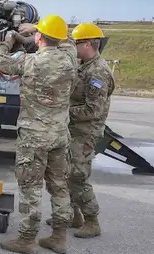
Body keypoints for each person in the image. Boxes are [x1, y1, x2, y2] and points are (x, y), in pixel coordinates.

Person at [0, 14, 77, 254]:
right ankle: (59, 237)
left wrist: (8, 40)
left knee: (30, 187)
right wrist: (39, 27)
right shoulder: (70, 59)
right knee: (59, 186)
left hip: (34, 136)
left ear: (38, 37)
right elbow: (68, 42)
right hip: (59, 134)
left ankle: (27, 239)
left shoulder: (31, 62)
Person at [40, 22, 114, 238]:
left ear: (89, 44)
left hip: (85, 133)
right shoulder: (84, 65)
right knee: (65, 173)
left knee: (78, 176)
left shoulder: (98, 72)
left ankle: (92, 220)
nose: (73, 46)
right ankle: (73, 216)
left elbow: (93, 110)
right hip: (73, 130)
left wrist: (63, 110)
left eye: (77, 43)